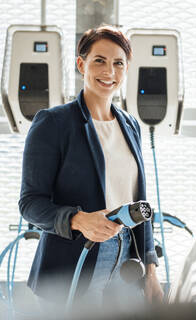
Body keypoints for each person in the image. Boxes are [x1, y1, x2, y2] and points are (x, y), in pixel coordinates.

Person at [18, 25, 163, 311]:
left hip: (127, 262)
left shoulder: (130, 125)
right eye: (99, 60)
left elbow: (140, 203)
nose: (109, 71)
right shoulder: (54, 123)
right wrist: (78, 219)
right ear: (81, 64)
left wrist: (151, 271)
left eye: (118, 63)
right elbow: (30, 204)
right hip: (74, 263)